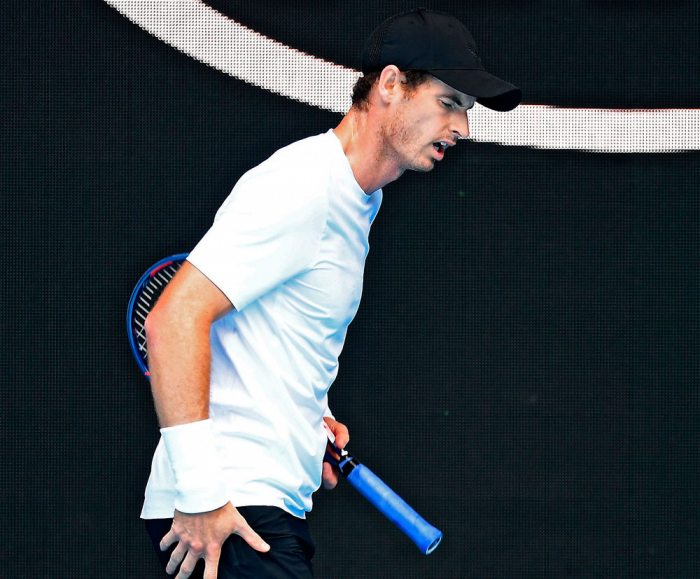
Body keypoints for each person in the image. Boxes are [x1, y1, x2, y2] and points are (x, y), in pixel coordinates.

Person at [141, 7, 520, 579]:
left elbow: (268, 331)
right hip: (231, 509)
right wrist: (200, 494)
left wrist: (306, 416)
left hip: (256, 503)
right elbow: (173, 319)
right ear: (390, 85)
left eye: (466, 110)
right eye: (449, 102)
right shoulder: (305, 186)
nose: (462, 127)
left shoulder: (356, 200)